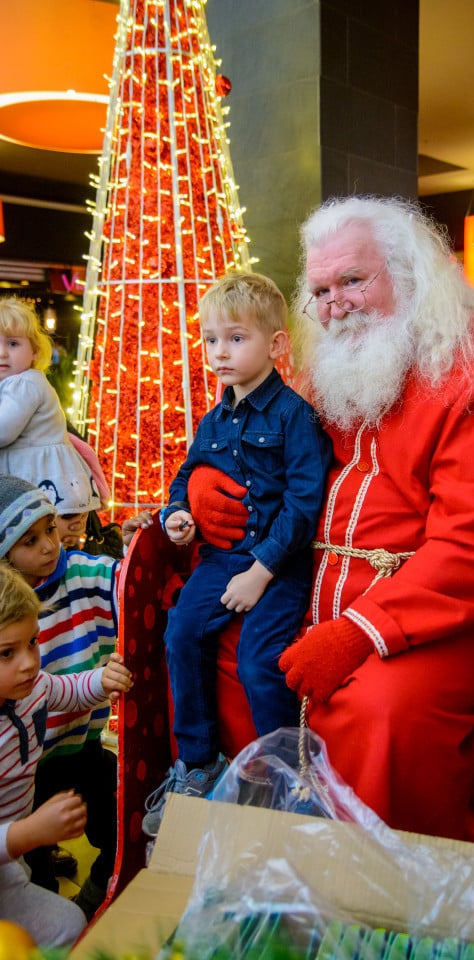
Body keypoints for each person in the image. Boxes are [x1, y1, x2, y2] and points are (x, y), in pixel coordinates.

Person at [180, 196, 474, 849]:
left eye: (353, 280)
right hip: (305, 588)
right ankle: (255, 850)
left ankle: (377, 900)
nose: (334, 305)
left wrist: (357, 634)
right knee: (208, 638)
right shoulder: (328, 368)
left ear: (410, 276)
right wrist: (209, 482)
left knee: (386, 712)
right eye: (320, 290)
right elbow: (268, 452)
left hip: (434, 619)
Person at [141, 273, 332, 837]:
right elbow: (186, 476)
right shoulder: (215, 418)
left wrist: (260, 572)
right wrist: (176, 514)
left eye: (235, 338)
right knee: (180, 632)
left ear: (275, 345)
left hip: (279, 564)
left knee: (257, 660)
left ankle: (285, 780)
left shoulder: (295, 415)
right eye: (210, 340)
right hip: (221, 559)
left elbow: (304, 503)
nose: (219, 352)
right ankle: (198, 763)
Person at [0, 475, 121, 920]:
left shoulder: (82, 574)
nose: (49, 547)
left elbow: (62, 689)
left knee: (114, 807)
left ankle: (98, 889)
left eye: (51, 529)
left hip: (78, 746)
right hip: (30, 772)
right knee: (32, 868)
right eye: (30, 541)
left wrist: (104, 680)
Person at [0, 298, 101, 513]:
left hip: (40, 486)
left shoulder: (25, 383)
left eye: (13, 344)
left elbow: (3, 431)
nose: (2, 353)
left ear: (35, 351)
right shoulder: (15, 384)